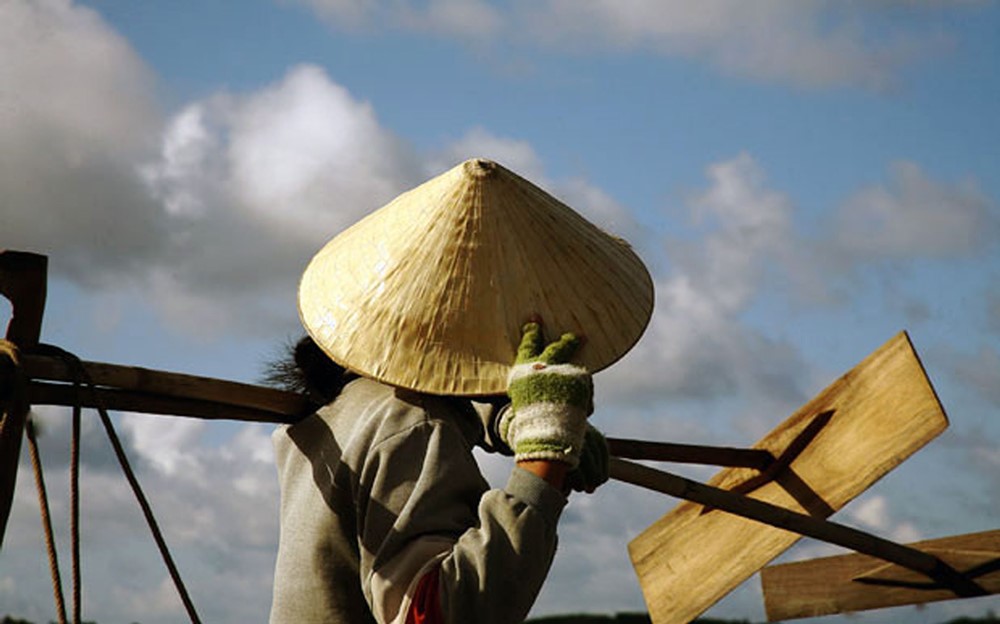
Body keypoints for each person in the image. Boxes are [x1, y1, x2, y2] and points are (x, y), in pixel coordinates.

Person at [269, 158, 654, 623]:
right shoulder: (409, 425)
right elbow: (429, 612)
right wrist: (543, 463)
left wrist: (504, 419)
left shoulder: (342, 407)